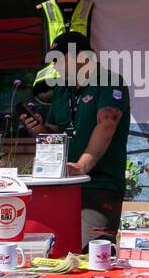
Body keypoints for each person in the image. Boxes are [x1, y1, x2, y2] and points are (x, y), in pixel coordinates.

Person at [22, 30, 131, 246]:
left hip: (98, 186)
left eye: (59, 59)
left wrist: (82, 165)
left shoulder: (108, 80)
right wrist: (40, 128)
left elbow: (107, 124)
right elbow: (56, 132)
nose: (54, 65)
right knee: (54, 249)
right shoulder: (64, 89)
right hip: (63, 186)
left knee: (88, 250)